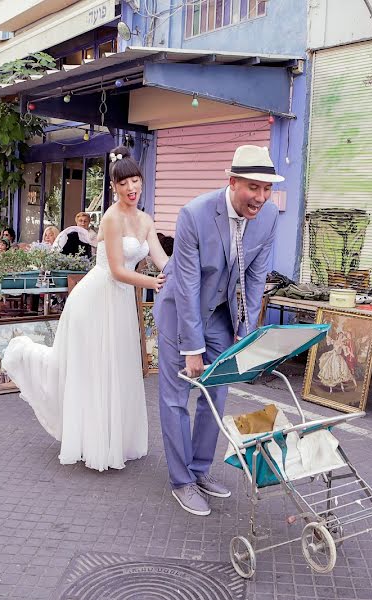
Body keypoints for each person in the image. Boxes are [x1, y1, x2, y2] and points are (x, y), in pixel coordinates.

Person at [2, 146, 168, 470]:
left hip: (119, 304)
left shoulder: (145, 220)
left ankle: (113, 441)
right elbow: (118, 269)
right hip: (95, 299)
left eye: (136, 181)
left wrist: (183, 271)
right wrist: (154, 284)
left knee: (117, 369)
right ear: (114, 187)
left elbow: (161, 259)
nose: (131, 188)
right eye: (124, 183)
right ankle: (24, 356)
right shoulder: (110, 218)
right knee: (92, 370)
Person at [153, 145, 281, 516]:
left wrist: (246, 335)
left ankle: (199, 469)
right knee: (177, 398)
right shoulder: (194, 214)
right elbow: (188, 285)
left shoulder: (269, 217)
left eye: (267, 189)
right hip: (182, 313)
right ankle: (181, 481)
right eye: (253, 188)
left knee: (217, 393)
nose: (260, 197)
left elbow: (256, 278)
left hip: (222, 315)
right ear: (233, 182)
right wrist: (191, 347)